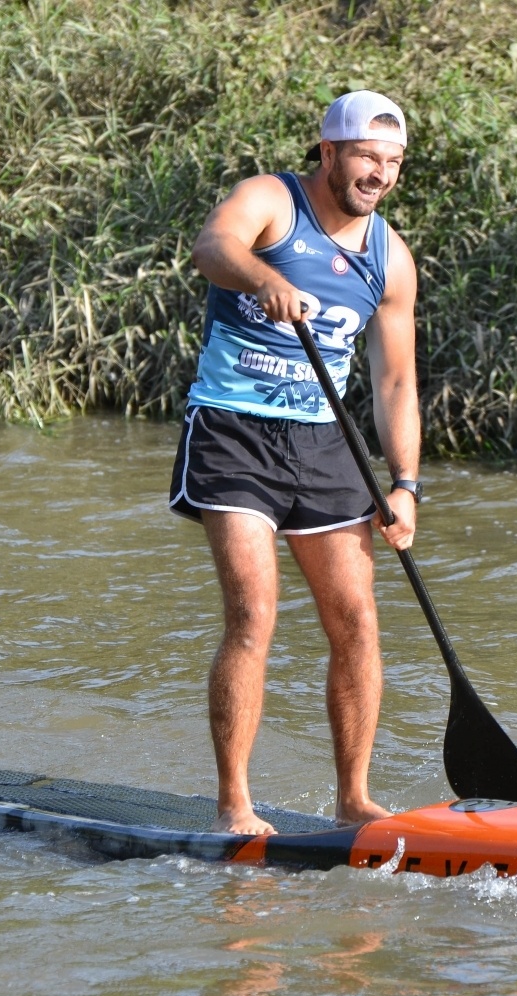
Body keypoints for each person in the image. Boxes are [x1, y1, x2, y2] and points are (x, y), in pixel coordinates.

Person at [169, 90, 421, 835]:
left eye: (394, 162)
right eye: (368, 157)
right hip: (234, 430)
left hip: (325, 443)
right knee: (254, 614)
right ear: (329, 151)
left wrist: (405, 485)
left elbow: (396, 382)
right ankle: (234, 805)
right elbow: (213, 248)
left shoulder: (390, 257)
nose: (379, 174)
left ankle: (354, 798)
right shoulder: (272, 201)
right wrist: (265, 277)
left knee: (357, 622)